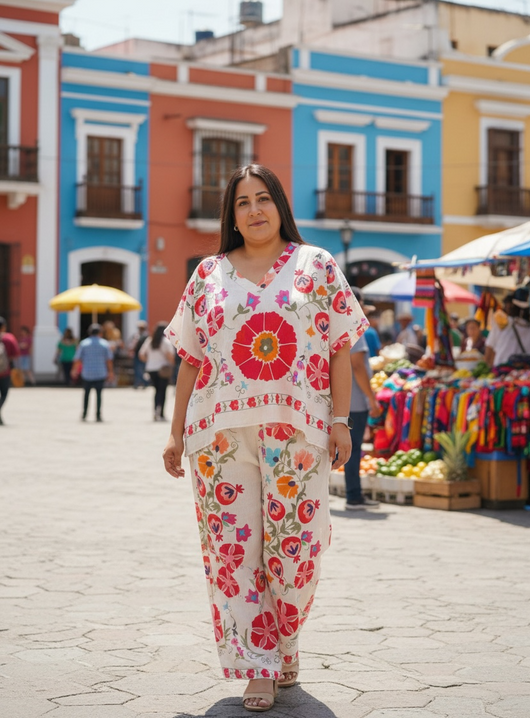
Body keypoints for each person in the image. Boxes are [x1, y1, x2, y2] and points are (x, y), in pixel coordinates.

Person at [162, 164, 367, 711]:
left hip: (298, 433)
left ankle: (283, 644)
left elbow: (339, 349)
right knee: (235, 552)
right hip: (218, 437)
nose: (254, 210)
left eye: (263, 199)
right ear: (230, 215)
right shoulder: (207, 272)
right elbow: (190, 359)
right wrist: (176, 432)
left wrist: (341, 422)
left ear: (280, 205)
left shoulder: (316, 265)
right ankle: (258, 665)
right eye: (242, 203)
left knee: (293, 552)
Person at [345, 290, 382, 510]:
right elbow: (358, 366)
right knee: (354, 448)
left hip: (346, 399)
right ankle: (353, 495)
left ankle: (354, 493)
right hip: (355, 401)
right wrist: (372, 398)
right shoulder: (354, 326)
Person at [74, 323, 114, 422]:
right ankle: (98, 415)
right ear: (100, 333)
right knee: (99, 395)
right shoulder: (104, 344)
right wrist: (110, 372)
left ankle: (84, 414)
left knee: (86, 394)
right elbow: (109, 360)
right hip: (100, 372)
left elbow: (78, 359)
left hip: (87, 372)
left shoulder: (83, 343)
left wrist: (74, 370)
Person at [485, 287, 530, 367]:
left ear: (511, 305)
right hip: (526, 374)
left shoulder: (502, 323)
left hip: (503, 372)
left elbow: (489, 351)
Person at [138, 322, 175, 421]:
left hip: (151, 369)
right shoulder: (165, 342)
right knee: (163, 392)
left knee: (156, 391)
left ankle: (155, 411)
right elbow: (170, 356)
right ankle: (161, 413)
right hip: (162, 369)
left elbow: (141, 354)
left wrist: (149, 361)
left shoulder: (150, 340)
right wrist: (170, 363)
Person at [0, 317, 20, 426]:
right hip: (4, 372)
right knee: (4, 394)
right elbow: (16, 355)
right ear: (3, 327)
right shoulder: (9, 338)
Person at [128, 320, 149, 389]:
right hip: (137, 355)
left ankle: (144, 382)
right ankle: (138, 383)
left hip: (143, 356)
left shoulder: (146, 336)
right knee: (138, 370)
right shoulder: (136, 335)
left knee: (141, 370)